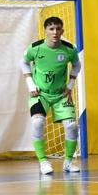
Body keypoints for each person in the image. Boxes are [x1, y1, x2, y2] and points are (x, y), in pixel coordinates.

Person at [20, 16, 81, 175]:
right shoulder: (35, 48)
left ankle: (68, 162)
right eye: (51, 29)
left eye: (58, 29)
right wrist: (30, 83)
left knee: (72, 126)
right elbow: (23, 62)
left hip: (61, 95)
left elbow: (76, 65)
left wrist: (70, 84)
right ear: (45, 31)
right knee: (37, 123)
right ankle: (43, 162)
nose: (55, 32)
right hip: (40, 94)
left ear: (62, 30)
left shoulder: (69, 49)